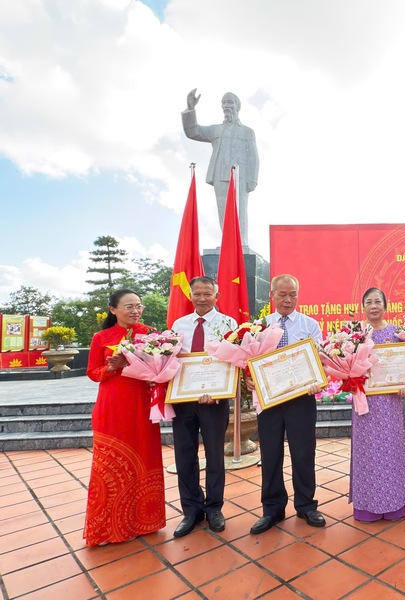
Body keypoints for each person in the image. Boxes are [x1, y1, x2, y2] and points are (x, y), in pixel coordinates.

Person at [83, 290, 166, 546]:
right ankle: (109, 527)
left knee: (145, 457)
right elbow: (92, 372)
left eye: (138, 306)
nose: (135, 311)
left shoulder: (151, 334)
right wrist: (111, 367)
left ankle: (145, 520)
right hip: (113, 406)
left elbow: (161, 364)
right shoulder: (102, 337)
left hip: (142, 405)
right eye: (128, 306)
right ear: (113, 309)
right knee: (111, 465)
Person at [250, 274, 326, 534]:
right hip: (269, 401)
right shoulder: (259, 326)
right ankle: (272, 509)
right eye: (282, 294)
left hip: (301, 400)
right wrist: (249, 380)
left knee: (304, 454)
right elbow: (249, 361)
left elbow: (319, 361)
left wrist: (317, 379)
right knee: (270, 455)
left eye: (292, 294)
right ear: (272, 295)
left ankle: (306, 505)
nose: (288, 299)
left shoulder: (310, 325)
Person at [170, 276, 237, 537]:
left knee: (215, 456)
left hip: (214, 400)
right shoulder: (179, 325)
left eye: (207, 294)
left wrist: (220, 391)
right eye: (197, 293)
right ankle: (191, 510)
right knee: (185, 456)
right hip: (183, 398)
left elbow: (232, 360)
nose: (202, 298)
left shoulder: (228, 324)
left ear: (216, 296)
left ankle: (214, 508)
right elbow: (172, 360)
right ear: (191, 296)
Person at [349, 287, 405, 522]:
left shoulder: (397, 333)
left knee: (391, 452)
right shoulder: (353, 335)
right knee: (367, 453)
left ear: (386, 305)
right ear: (362, 306)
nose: (373, 306)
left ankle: (393, 504)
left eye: (378, 301)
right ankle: (367, 507)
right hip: (364, 402)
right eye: (369, 302)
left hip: (389, 403)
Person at [182, 89, 259, 247]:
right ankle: (228, 243)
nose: (226, 106)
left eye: (229, 102)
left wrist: (253, 179)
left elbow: (253, 157)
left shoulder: (247, 132)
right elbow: (193, 131)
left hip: (241, 176)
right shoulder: (215, 130)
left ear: (238, 106)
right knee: (223, 209)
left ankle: (241, 243)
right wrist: (191, 109)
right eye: (223, 103)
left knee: (240, 210)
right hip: (220, 175)